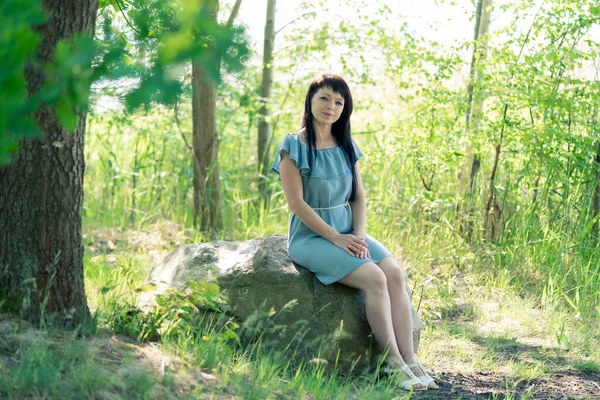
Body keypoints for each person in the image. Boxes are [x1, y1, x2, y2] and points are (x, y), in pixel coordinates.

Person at [270, 73, 438, 391]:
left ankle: (411, 360)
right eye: (324, 98)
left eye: (338, 101)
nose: (330, 106)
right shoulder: (293, 145)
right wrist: (336, 238)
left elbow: (358, 197)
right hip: (311, 237)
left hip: (347, 231)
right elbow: (296, 203)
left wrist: (357, 237)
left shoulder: (347, 145)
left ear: (344, 108)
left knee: (395, 275)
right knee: (374, 278)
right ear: (310, 100)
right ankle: (393, 365)